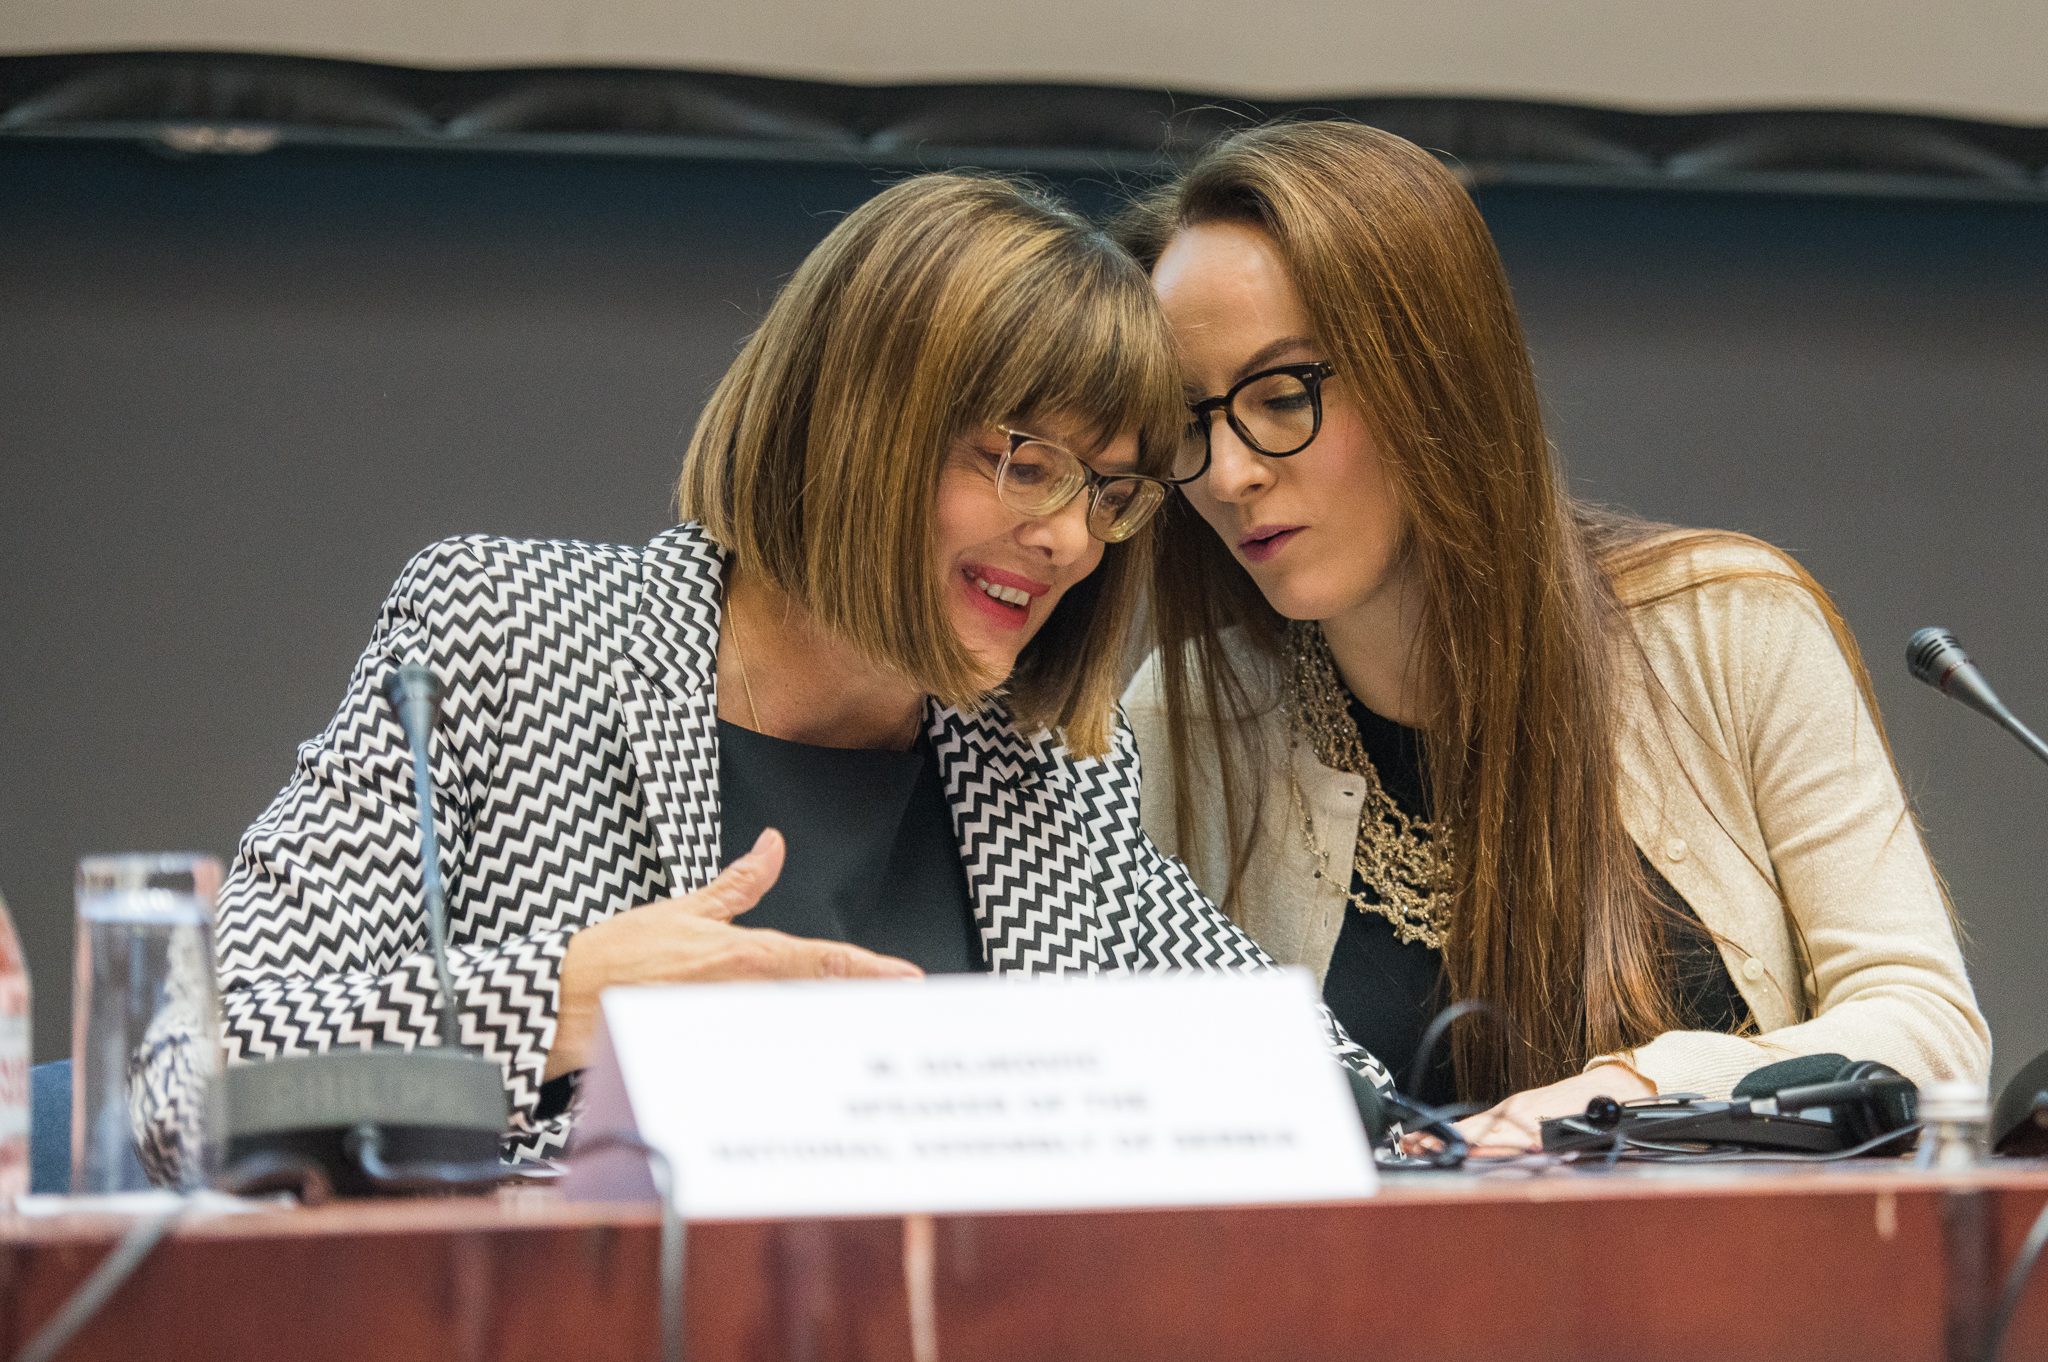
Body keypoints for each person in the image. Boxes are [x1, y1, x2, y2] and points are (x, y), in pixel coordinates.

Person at [146, 172, 1389, 1174]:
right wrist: (564, 1000)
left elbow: (1330, 1088)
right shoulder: (502, 634)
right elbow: (185, 1080)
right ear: (853, 426)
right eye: (1021, 462)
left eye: (1107, 491)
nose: (1068, 538)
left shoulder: (1047, 771)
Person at [1117, 121, 1989, 1153]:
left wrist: (1622, 1094)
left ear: (1434, 373)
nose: (1227, 474)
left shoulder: (1731, 626)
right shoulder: (1178, 712)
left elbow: (1928, 1031)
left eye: (1278, 396)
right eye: (1189, 422)